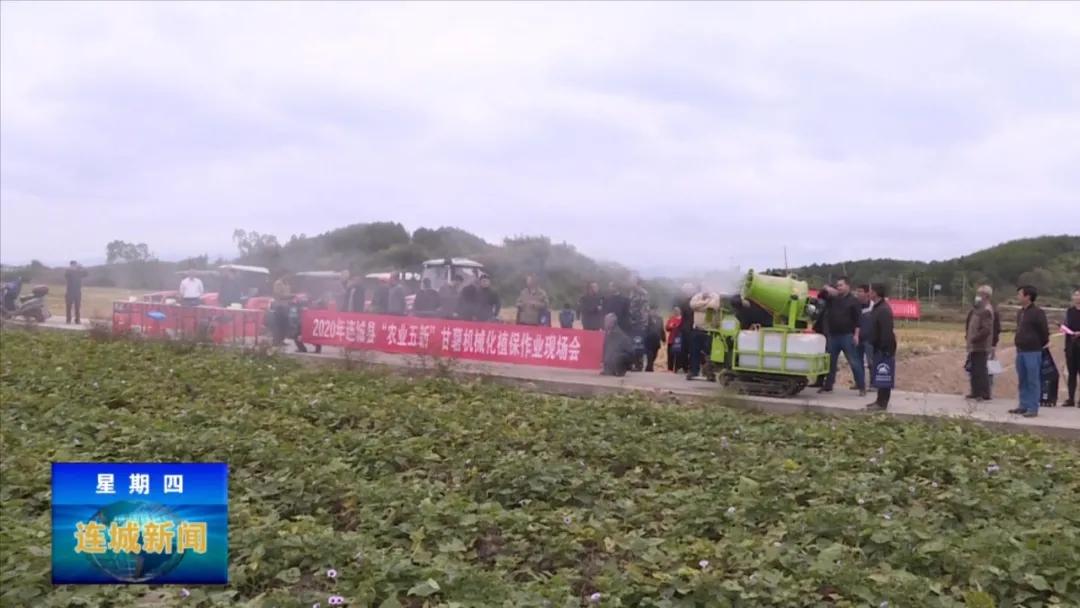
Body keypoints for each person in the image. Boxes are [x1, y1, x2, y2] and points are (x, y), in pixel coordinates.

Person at [819, 277, 866, 396]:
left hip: (847, 335)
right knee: (830, 362)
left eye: (841, 285)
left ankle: (861, 386)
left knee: (854, 362)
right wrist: (826, 288)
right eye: (837, 285)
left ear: (847, 286)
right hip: (833, 335)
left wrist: (856, 335)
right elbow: (820, 296)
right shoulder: (832, 298)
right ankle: (828, 386)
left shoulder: (854, 301)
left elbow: (858, 320)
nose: (838, 287)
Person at [1011, 285, 1049, 418]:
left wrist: (1038, 344)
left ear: (1028, 296)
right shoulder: (1020, 312)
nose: (1018, 296)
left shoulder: (1038, 313)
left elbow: (1044, 332)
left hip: (1033, 351)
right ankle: (1023, 405)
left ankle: (1033, 407)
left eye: (1020, 294)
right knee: (1023, 379)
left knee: (1033, 380)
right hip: (1020, 350)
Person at [864, 283, 896, 411]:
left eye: (870, 291)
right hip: (878, 346)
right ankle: (879, 400)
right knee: (880, 375)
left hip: (884, 348)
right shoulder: (877, 307)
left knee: (885, 376)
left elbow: (886, 331)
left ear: (875, 293)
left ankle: (882, 403)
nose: (868, 293)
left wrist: (884, 348)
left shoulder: (883, 310)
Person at [964, 290, 994, 401]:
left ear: (985, 296)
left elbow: (986, 329)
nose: (977, 297)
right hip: (974, 345)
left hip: (981, 345)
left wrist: (975, 338)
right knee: (974, 369)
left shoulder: (986, 311)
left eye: (979, 294)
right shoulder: (977, 309)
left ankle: (983, 393)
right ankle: (975, 391)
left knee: (980, 369)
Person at [627, 277, 651, 371]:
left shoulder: (643, 293)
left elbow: (644, 310)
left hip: (640, 323)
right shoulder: (631, 292)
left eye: (632, 282)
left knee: (639, 344)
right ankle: (632, 363)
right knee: (632, 344)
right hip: (632, 322)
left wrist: (642, 322)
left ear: (637, 283)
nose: (631, 283)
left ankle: (638, 365)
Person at [854, 285, 875, 388]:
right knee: (857, 362)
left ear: (867, 293)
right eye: (857, 291)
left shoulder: (873, 307)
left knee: (871, 362)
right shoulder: (855, 306)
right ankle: (859, 383)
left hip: (869, 339)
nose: (858, 293)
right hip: (857, 338)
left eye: (860, 291)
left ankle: (873, 383)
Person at [601, 313, 634, 377]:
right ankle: (610, 369)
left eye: (607, 321)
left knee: (617, 355)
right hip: (616, 357)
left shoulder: (617, 333)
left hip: (623, 357)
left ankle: (619, 371)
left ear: (612, 323)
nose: (605, 323)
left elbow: (614, 349)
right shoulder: (608, 333)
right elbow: (606, 348)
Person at [1063, 288, 1080, 407]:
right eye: (1076, 295)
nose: (1077, 297)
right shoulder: (1069, 311)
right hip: (1071, 345)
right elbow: (1066, 325)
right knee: (1071, 373)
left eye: (1079, 295)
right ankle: (1070, 398)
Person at [270, 273, 292, 345]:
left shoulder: (287, 283)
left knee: (284, 325)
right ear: (283, 275)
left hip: (286, 306)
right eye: (287, 275)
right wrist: (291, 296)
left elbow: (288, 294)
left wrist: (291, 297)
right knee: (278, 324)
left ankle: (281, 340)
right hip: (279, 306)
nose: (289, 277)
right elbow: (278, 295)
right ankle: (276, 341)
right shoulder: (278, 283)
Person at [665, 306, 684, 372]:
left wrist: (675, 326)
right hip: (671, 340)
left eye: (677, 310)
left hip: (679, 340)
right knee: (670, 355)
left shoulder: (682, 319)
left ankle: (677, 369)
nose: (676, 312)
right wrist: (671, 326)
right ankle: (670, 369)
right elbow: (667, 327)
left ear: (680, 311)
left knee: (678, 355)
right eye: (674, 310)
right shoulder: (671, 318)